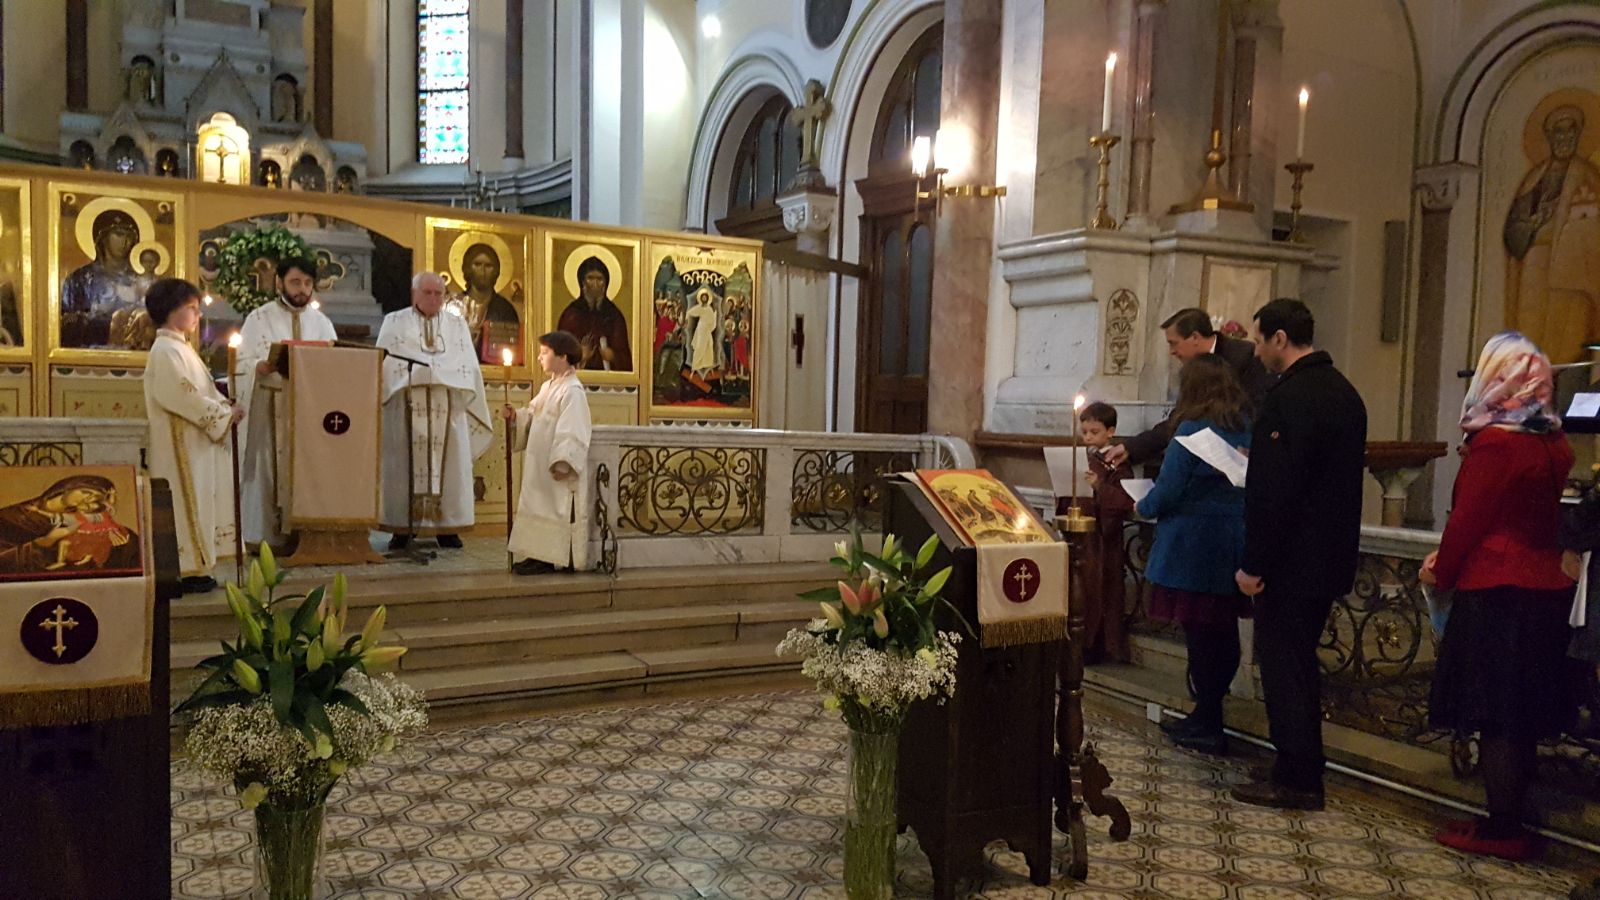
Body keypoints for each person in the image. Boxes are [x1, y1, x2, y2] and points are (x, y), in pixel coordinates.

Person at [1421, 332, 1580, 860]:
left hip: (1497, 588)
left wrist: (1442, 573)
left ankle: (1503, 827)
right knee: (1521, 714)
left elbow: (1468, 521)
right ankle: (1508, 819)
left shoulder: (1496, 444)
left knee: (1496, 715)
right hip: (1545, 586)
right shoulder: (1554, 442)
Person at [1232, 298, 1367, 810]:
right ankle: (1296, 765)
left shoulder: (1289, 397)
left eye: (1260, 339)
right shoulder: (1344, 392)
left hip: (1289, 562)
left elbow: (1277, 492)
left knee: (1285, 669)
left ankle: (1298, 779)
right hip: (1327, 557)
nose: (1257, 350)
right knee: (1299, 665)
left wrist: (1254, 563)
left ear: (1280, 339)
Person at [1133, 356, 1253, 754]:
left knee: (1201, 635)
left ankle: (1209, 718)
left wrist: (1142, 506)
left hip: (1193, 545)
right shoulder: (1245, 427)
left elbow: (1169, 490)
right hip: (1232, 541)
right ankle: (1208, 713)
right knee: (1222, 631)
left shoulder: (1191, 430)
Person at [377, 272, 494, 551]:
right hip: (406, 405)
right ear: (414, 294)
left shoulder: (457, 324)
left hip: (447, 405)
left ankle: (448, 528)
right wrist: (426, 372)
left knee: (451, 466)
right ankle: (402, 528)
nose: (433, 298)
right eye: (427, 293)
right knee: (402, 465)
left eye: (438, 293)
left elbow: (467, 365)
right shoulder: (394, 321)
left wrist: (434, 373)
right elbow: (385, 364)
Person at [141, 278, 243, 594]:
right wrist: (223, 415)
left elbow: (204, 391)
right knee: (185, 502)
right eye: (192, 308)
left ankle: (198, 564)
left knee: (199, 501)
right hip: (179, 448)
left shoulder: (181, 348)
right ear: (171, 310)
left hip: (195, 444)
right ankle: (186, 569)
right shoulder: (165, 351)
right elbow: (181, 396)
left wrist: (226, 407)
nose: (198, 315)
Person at [237, 257, 338, 552]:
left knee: (308, 468)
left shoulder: (321, 323)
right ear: (279, 283)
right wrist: (258, 366)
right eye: (295, 282)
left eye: (307, 283)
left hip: (308, 411)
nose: (302, 289)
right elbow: (241, 361)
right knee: (267, 470)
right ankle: (265, 538)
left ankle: (306, 536)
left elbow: (334, 362)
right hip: (270, 407)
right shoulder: (259, 318)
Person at [1103, 307, 1274, 469]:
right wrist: (1131, 447)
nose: (1171, 351)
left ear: (1195, 337)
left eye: (1174, 343)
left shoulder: (1244, 357)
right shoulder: (1191, 371)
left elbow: (1257, 409)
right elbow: (1179, 417)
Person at [1504, 105, 1600, 366]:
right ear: (1549, 137)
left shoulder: (1589, 177)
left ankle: (1569, 384)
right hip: (1535, 269)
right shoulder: (1534, 178)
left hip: (1574, 275)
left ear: (1578, 136)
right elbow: (1514, 230)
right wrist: (1531, 225)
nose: (1564, 139)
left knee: (1572, 337)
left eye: (1570, 132)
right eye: (1559, 132)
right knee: (1532, 335)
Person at [505, 331, 593, 575]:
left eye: (545, 353)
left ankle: (551, 558)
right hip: (539, 465)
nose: (539, 357)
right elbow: (533, 415)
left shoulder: (572, 391)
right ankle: (536, 555)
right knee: (536, 506)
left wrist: (563, 461)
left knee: (554, 509)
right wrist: (516, 417)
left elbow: (573, 428)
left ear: (563, 356)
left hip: (555, 469)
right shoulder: (549, 386)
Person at [1076, 401, 1132, 664]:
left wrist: (1099, 485)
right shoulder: (1084, 459)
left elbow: (1123, 500)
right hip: (1082, 536)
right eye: (1084, 432)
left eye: (1094, 432)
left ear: (1110, 432)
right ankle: (1077, 642)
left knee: (1101, 590)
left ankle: (1098, 646)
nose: (1088, 437)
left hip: (1102, 540)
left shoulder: (1117, 464)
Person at [0, 475, 141, 576]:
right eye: (85, 492)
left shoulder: (80, 519)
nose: (87, 499)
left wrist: (119, 549)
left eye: (95, 499)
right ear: (66, 488)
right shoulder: (14, 517)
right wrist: (44, 543)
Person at [60, 209, 145, 349]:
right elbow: (65, 323)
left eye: (130, 237)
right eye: (119, 234)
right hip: (88, 353)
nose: (125, 242)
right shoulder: (80, 279)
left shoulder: (140, 281)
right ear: (103, 238)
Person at [556, 256, 632, 371]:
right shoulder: (571, 314)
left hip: (609, 379)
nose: (595, 284)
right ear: (582, 282)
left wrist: (613, 356)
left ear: (605, 284)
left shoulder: (614, 315)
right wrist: (580, 355)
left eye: (599, 279)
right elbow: (559, 355)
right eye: (590, 278)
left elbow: (626, 359)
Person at [457, 243, 520, 364]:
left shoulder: (505, 310)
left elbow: (512, 349)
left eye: (488, 266)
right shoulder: (455, 306)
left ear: (496, 271)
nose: (483, 270)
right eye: (477, 264)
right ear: (468, 268)